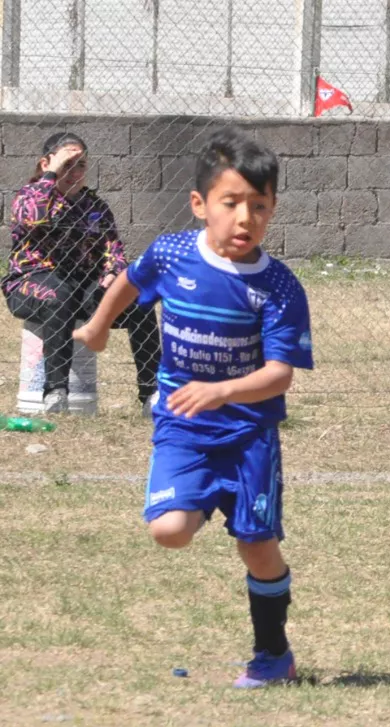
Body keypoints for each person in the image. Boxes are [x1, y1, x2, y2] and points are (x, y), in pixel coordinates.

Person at [73, 127, 313, 688]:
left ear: (273, 209)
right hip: (183, 427)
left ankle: (274, 654)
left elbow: (280, 375)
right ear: (201, 205)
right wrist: (98, 327)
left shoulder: (279, 287)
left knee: (258, 550)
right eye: (231, 204)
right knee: (170, 529)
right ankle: (201, 495)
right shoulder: (173, 254)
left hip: (250, 435)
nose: (245, 219)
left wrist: (223, 391)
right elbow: (129, 282)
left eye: (260, 206)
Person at [5, 131, 159, 412]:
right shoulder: (30, 196)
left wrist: (113, 272)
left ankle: (152, 394)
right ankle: (56, 392)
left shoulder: (95, 206)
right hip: (31, 281)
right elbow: (35, 218)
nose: (75, 173)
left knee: (140, 300)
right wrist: (51, 174)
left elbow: (114, 249)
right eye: (67, 165)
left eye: (81, 166)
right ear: (46, 164)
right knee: (57, 295)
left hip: (85, 286)